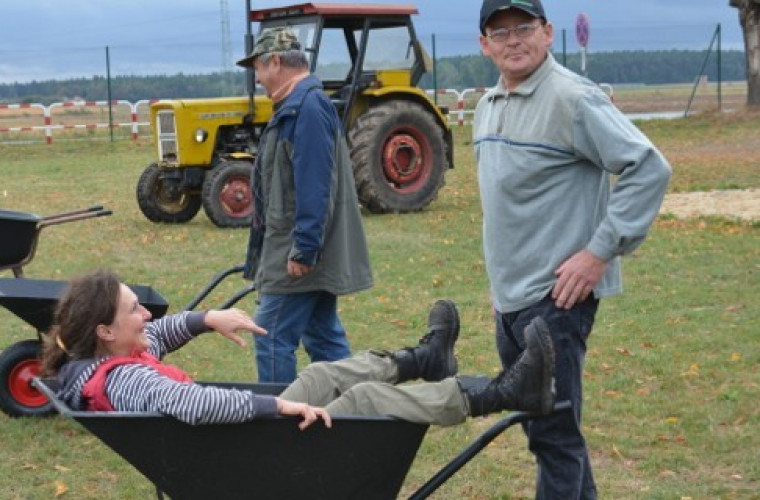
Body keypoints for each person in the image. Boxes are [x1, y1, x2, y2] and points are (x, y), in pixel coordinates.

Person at [474, 0, 672, 498]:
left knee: (554, 437)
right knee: (547, 435)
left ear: (548, 33)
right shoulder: (486, 105)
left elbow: (648, 167)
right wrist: (498, 289)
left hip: (557, 300)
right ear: (484, 45)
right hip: (511, 302)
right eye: (500, 32)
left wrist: (598, 252)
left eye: (524, 28)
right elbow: (504, 206)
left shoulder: (572, 98)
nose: (513, 40)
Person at [42, 270, 557, 429]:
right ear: (106, 332)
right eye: (135, 310)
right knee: (364, 402)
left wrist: (205, 319)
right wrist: (277, 405)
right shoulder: (125, 378)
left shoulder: (108, 358)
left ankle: (421, 361)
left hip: (233, 447)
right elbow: (194, 403)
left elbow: (162, 333)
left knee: (321, 373)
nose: (146, 316)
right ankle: (498, 395)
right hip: (243, 457)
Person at [235, 27, 373, 383]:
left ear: (275, 62)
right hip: (295, 243)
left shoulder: (307, 108)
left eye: (259, 69)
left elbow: (315, 184)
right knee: (324, 339)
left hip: (295, 250)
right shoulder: (300, 104)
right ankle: (352, 412)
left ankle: (281, 422)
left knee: (271, 335)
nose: (259, 79)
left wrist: (305, 247)